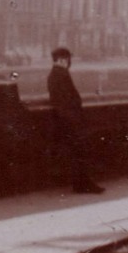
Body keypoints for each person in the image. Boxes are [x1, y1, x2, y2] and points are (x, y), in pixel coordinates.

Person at [47, 47, 104, 194]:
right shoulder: (60, 74)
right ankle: (83, 184)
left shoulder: (56, 74)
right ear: (62, 59)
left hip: (67, 120)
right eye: (68, 59)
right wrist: (74, 121)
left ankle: (81, 184)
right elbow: (66, 100)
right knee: (80, 152)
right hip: (70, 121)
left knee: (77, 153)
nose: (69, 62)